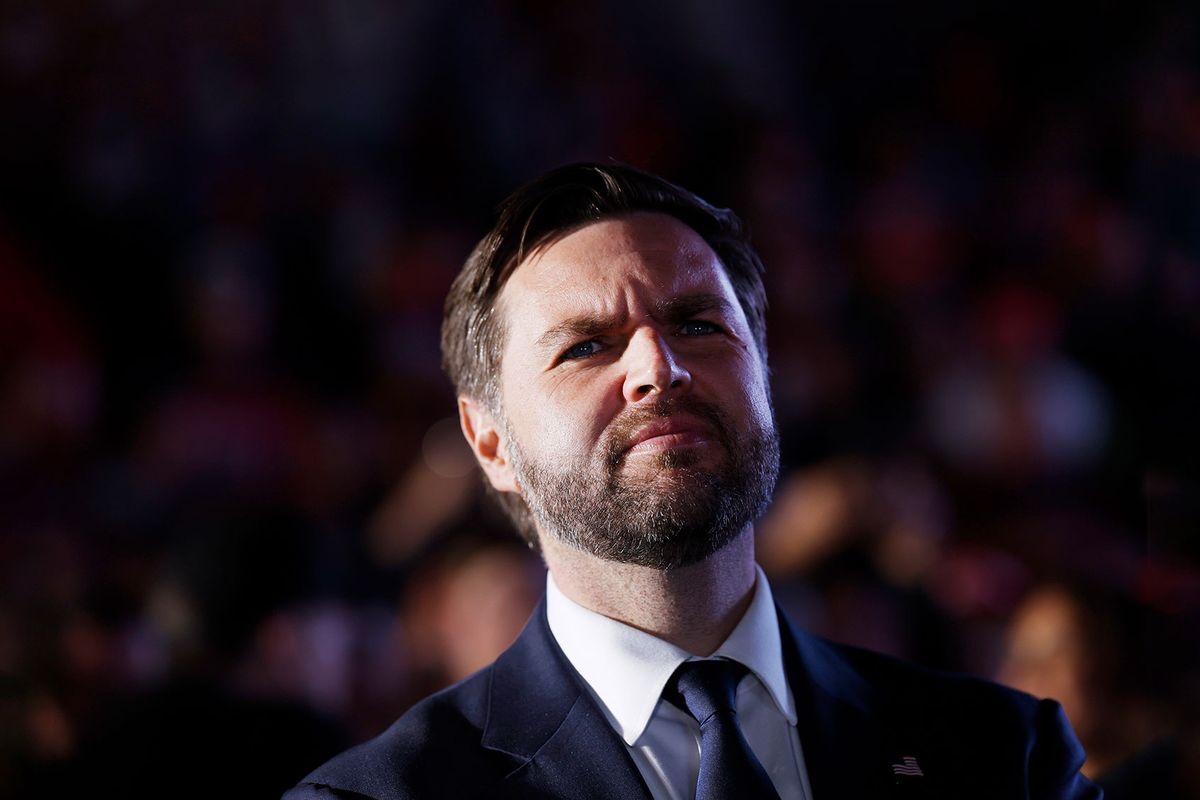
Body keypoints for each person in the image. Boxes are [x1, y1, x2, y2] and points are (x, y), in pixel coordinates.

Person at [285, 163, 1101, 799]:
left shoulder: (1005, 758)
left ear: (766, 373)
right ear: (491, 442)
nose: (658, 367)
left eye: (699, 324)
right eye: (585, 347)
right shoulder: (382, 798)